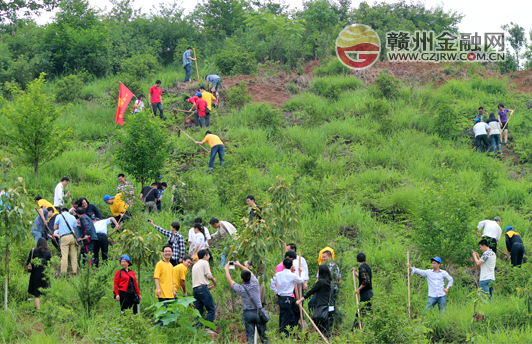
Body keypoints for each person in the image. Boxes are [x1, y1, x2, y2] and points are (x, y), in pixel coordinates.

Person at [225, 261, 269, 344]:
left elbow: (230, 280)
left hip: (248, 314)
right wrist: (240, 265)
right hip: (258, 312)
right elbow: (250, 272)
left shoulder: (240, 289)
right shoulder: (255, 283)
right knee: (264, 337)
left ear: (241, 279)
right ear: (250, 277)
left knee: (250, 337)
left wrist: (226, 269)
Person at [269, 258, 304, 337]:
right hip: (287, 298)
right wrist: (301, 272)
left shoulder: (278, 275)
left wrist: (276, 292)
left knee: (294, 312)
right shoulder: (292, 275)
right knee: (286, 317)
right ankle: (284, 335)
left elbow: (271, 283)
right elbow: (301, 280)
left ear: (283, 265)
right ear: (291, 266)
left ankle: (291, 331)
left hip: (284, 298)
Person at [297, 264, 334, 337]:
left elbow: (311, 291)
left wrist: (301, 299)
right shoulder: (330, 281)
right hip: (328, 305)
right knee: (326, 326)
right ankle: (327, 339)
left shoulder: (321, 282)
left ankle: (321, 339)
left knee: (319, 325)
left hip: (321, 306)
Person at [192, 249, 217, 333]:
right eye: (208, 255)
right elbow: (208, 275)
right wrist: (214, 282)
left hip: (195, 289)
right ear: (205, 255)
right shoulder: (205, 262)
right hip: (202, 288)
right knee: (211, 309)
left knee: (199, 310)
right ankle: (207, 328)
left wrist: (207, 287)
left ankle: (198, 328)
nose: (209, 257)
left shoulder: (195, 265)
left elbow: (199, 280)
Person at [27, 237, 51, 310]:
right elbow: (50, 262)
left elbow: (29, 261)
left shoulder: (33, 251)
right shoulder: (48, 252)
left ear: (38, 243)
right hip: (45, 274)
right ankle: (49, 309)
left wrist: (30, 264)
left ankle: (38, 309)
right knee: (47, 291)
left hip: (35, 274)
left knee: (36, 294)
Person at [351, 252, 373, 328]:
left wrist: (359, 289)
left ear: (357, 260)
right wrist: (355, 273)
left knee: (364, 311)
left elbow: (366, 281)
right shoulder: (367, 267)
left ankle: (355, 328)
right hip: (368, 292)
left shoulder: (362, 268)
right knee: (365, 310)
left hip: (366, 293)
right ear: (365, 259)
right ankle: (357, 328)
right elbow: (362, 278)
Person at [53, 208, 78, 274]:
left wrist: (61, 226)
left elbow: (55, 228)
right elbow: (74, 228)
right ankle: (74, 271)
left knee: (64, 255)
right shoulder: (73, 217)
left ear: (61, 211)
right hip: (72, 237)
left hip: (64, 237)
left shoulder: (59, 216)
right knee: (74, 255)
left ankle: (63, 272)